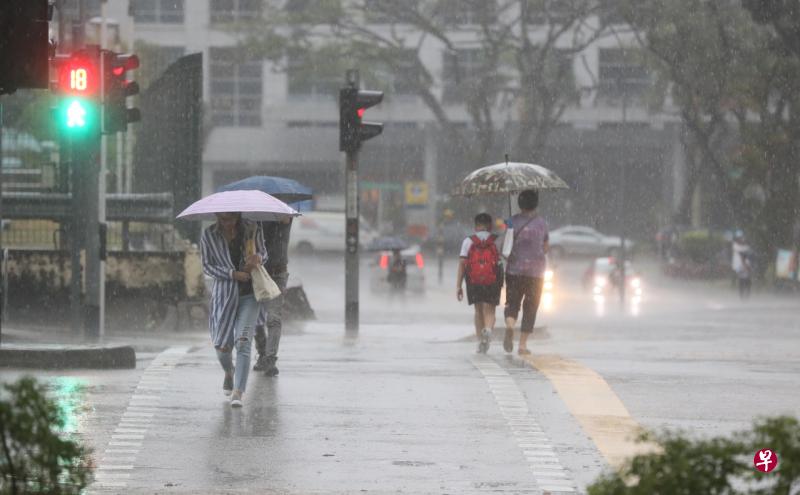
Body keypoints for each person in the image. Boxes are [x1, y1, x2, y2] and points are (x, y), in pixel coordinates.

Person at [200, 213, 267, 407]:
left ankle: (238, 392)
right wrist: (232, 274)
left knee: (243, 342)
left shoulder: (253, 229)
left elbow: (264, 253)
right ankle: (229, 371)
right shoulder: (209, 234)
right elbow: (207, 266)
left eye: (230, 219)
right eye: (222, 219)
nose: (226, 223)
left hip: (250, 296)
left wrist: (258, 258)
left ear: (237, 216)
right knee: (222, 347)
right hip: (224, 296)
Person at [503, 190, 549, 355]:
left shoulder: (512, 221)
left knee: (512, 302)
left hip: (514, 271)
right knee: (530, 307)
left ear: (520, 204)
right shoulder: (541, 223)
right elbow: (545, 247)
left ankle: (509, 324)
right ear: (535, 204)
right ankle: (522, 345)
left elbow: (505, 247)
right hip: (536, 273)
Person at [456, 213, 503, 354]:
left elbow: (462, 264)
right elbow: (505, 259)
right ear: (491, 226)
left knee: (478, 310)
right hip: (493, 279)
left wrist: (458, 285)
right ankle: (488, 330)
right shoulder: (497, 241)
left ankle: (480, 341)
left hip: (473, 280)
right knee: (490, 310)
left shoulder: (468, 241)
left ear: (476, 226)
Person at [253, 218, 293, 377]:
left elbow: (285, 220)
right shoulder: (257, 220)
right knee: (256, 317)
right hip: (259, 272)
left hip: (279, 273)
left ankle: (270, 359)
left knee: (274, 318)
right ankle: (262, 353)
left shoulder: (283, 216)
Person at [732, 232, 753, 300]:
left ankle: (747, 294)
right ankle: (742, 295)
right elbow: (740, 250)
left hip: (746, 265)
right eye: (740, 239)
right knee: (741, 280)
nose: (742, 240)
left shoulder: (746, 248)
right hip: (739, 266)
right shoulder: (736, 246)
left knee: (747, 281)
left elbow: (747, 253)